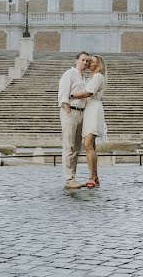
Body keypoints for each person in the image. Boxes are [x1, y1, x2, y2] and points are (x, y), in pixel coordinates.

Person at [71, 55, 107, 189]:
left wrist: (71, 95)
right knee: (90, 145)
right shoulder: (91, 77)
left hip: (93, 110)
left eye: (92, 62)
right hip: (88, 109)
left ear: (98, 65)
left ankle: (92, 177)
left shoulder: (98, 77)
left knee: (87, 144)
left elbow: (88, 93)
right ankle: (95, 177)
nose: (88, 63)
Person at [58, 51, 91, 189]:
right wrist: (68, 111)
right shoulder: (69, 74)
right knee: (69, 146)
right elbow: (63, 94)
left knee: (77, 147)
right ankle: (68, 179)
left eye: (87, 61)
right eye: (83, 60)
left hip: (82, 113)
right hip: (71, 112)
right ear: (77, 60)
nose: (85, 63)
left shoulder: (85, 78)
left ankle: (73, 178)